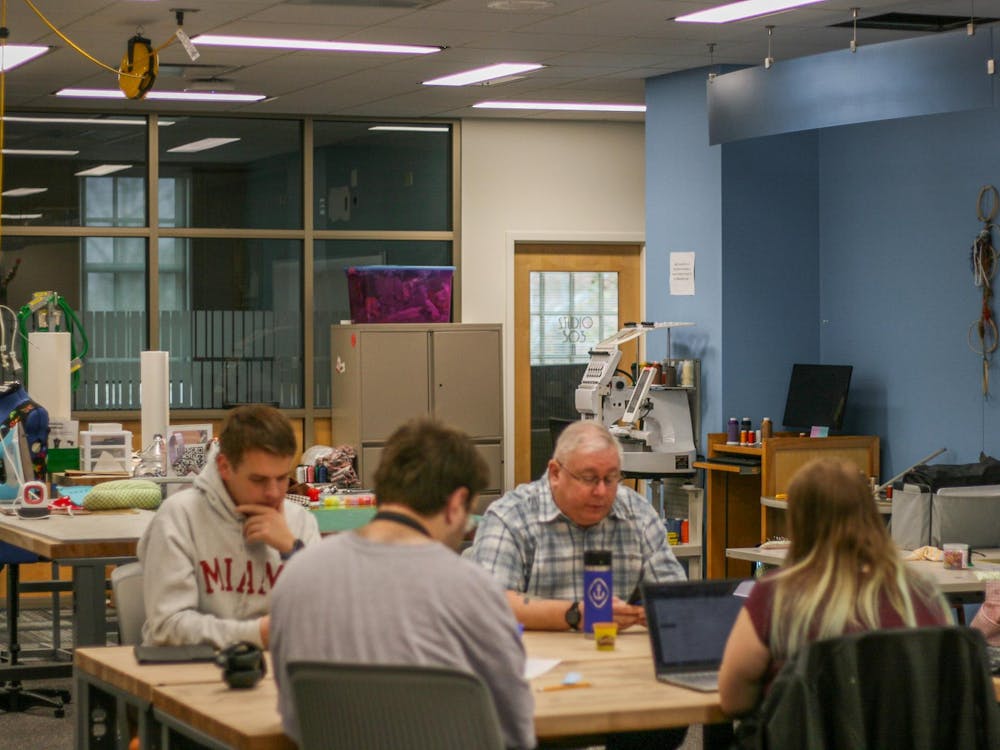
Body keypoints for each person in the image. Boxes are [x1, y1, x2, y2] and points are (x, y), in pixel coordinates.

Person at [270, 418, 535, 749]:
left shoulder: (296, 578)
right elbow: (516, 730)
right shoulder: (474, 589)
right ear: (456, 504)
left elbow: (294, 718)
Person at [717, 458, 952, 717]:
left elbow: (732, 699)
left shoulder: (776, 595)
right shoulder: (922, 595)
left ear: (798, 522)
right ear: (870, 514)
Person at [466, 419, 686, 632]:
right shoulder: (511, 517)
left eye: (610, 479)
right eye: (589, 478)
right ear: (555, 474)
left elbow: (677, 598)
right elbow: (490, 605)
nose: (601, 491)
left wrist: (654, 611)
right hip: (536, 663)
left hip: (615, 657)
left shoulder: (637, 513)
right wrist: (577, 615)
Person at [138, 404, 320, 649]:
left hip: (276, 669)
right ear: (224, 466)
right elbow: (167, 626)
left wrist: (293, 551)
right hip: (192, 671)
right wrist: (256, 634)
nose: (274, 493)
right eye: (258, 480)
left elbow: (326, 617)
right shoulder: (179, 517)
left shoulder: (299, 521)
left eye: (282, 478)